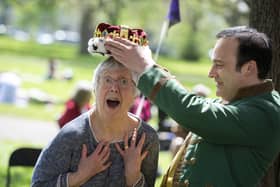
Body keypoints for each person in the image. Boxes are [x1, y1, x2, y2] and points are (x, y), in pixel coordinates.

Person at [105, 26, 280, 186]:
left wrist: (145, 66)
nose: (211, 73)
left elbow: (191, 110)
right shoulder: (236, 102)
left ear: (249, 68)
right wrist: (136, 68)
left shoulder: (265, 113)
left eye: (219, 65)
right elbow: (189, 106)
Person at [32, 57, 159, 187]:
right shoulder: (72, 135)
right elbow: (39, 184)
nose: (114, 88)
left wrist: (133, 176)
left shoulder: (146, 139)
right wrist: (79, 176)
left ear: (135, 93)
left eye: (124, 81)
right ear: (95, 89)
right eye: (107, 80)